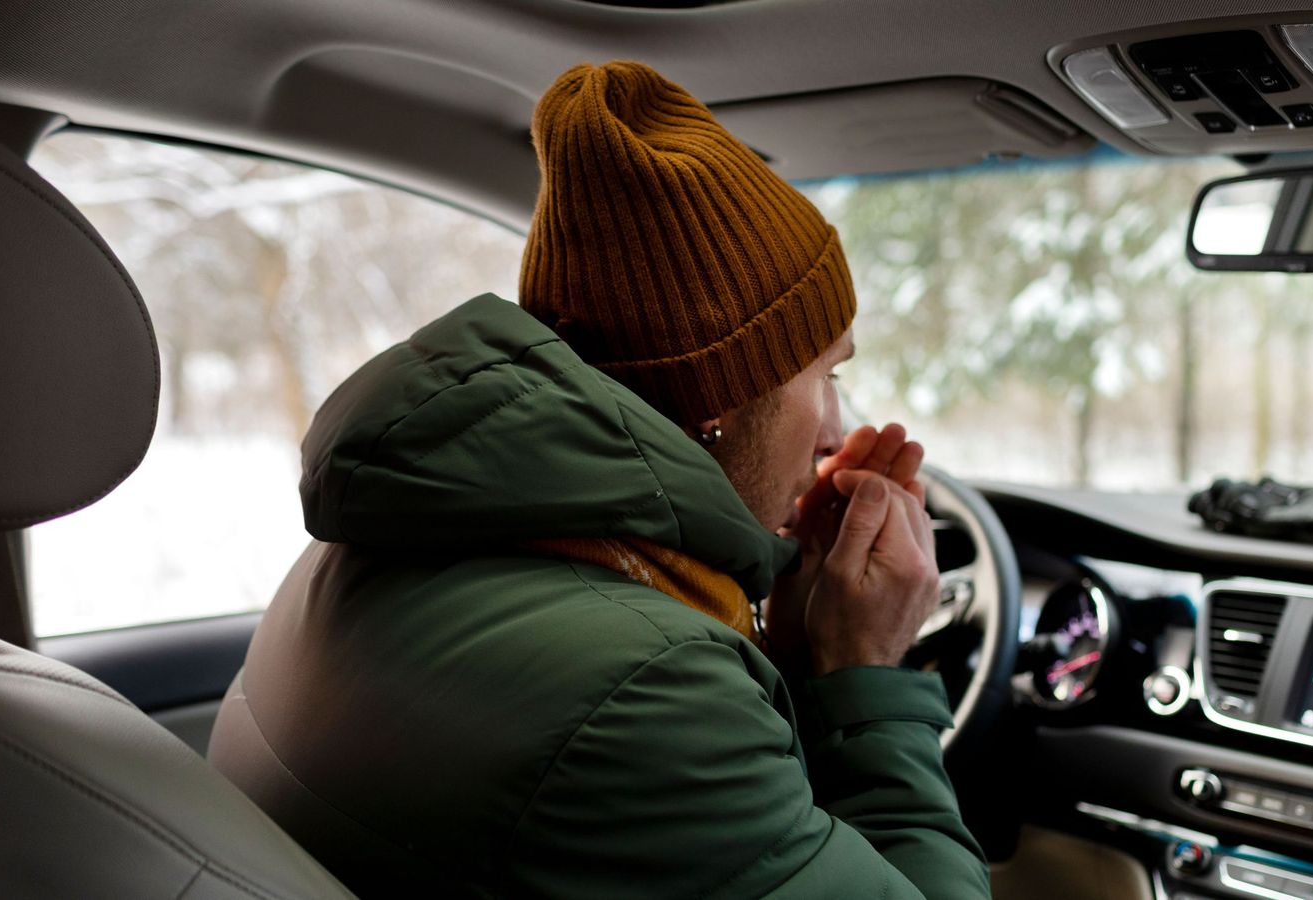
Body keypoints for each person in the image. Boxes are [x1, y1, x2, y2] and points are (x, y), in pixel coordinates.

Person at [208, 60, 992, 900]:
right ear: (724, 393)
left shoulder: (372, 543)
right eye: (826, 375)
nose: (837, 429)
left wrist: (787, 650)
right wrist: (862, 674)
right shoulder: (648, 695)